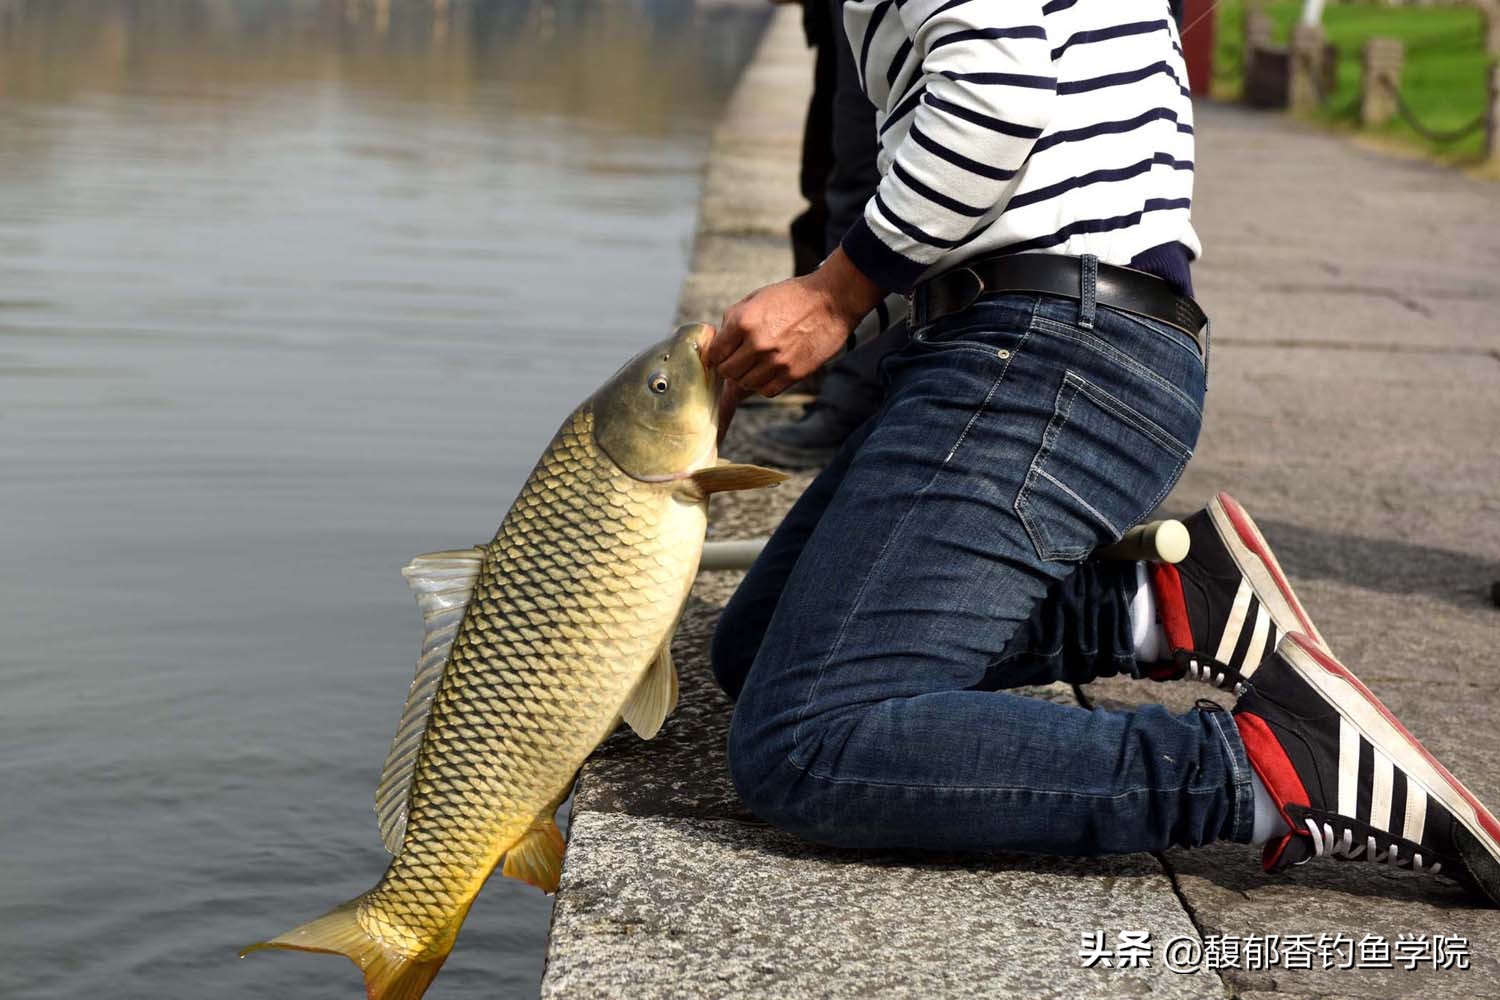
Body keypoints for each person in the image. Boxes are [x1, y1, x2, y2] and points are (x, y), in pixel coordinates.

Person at [701, 0, 1500, 902]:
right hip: (1067, 334)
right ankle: (1152, 607)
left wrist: (833, 296)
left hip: (1048, 354)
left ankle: (1277, 769)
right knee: (760, 650)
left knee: (804, 742)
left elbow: (995, 96)